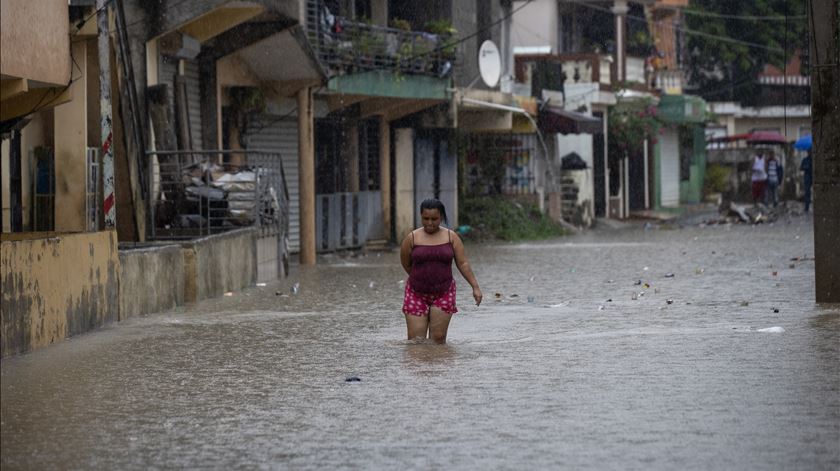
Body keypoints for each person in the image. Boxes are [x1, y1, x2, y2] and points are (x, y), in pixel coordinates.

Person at [400, 198, 482, 344]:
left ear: (441, 217)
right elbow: (406, 262)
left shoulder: (452, 237)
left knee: (438, 340)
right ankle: (419, 368)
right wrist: (421, 277)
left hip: (444, 292)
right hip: (416, 293)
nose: (430, 223)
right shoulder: (412, 238)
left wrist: (475, 287)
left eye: (434, 219)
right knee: (415, 342)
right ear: (421, 216)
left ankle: (439, 367)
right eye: (425, 219)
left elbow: (462, 263)